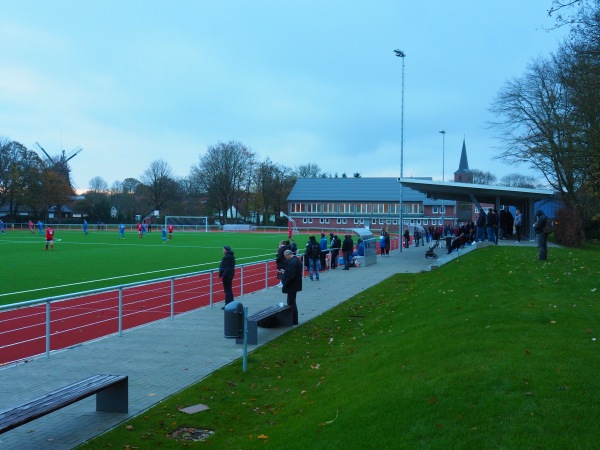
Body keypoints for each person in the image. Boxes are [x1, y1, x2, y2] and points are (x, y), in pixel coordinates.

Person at [281, 249, 302, 325]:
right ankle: (294, 320)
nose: (285, 258)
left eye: (285, 257)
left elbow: (291, 275)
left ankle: (294, 320)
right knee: (292, 302)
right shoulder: (296, 260)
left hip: (292, 285)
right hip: (295, 284)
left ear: (288, 255)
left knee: (291, 303)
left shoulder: (293, 262)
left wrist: (285, 283)